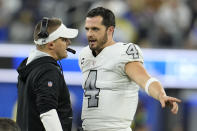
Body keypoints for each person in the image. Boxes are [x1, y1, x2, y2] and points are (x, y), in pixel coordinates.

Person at [78, 7, 181, 131]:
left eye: (95, 29)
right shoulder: (84, 55)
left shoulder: (123, 52)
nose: (89, 34)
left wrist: (160, 94)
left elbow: (145, 79)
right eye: (87, 29)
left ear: (110, 30)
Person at [16, 17, 78, 131]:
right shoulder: (47, 70)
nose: (69, 42)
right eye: (64, 39)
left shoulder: (29, 68)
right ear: (51, 45)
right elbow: (47, 112)